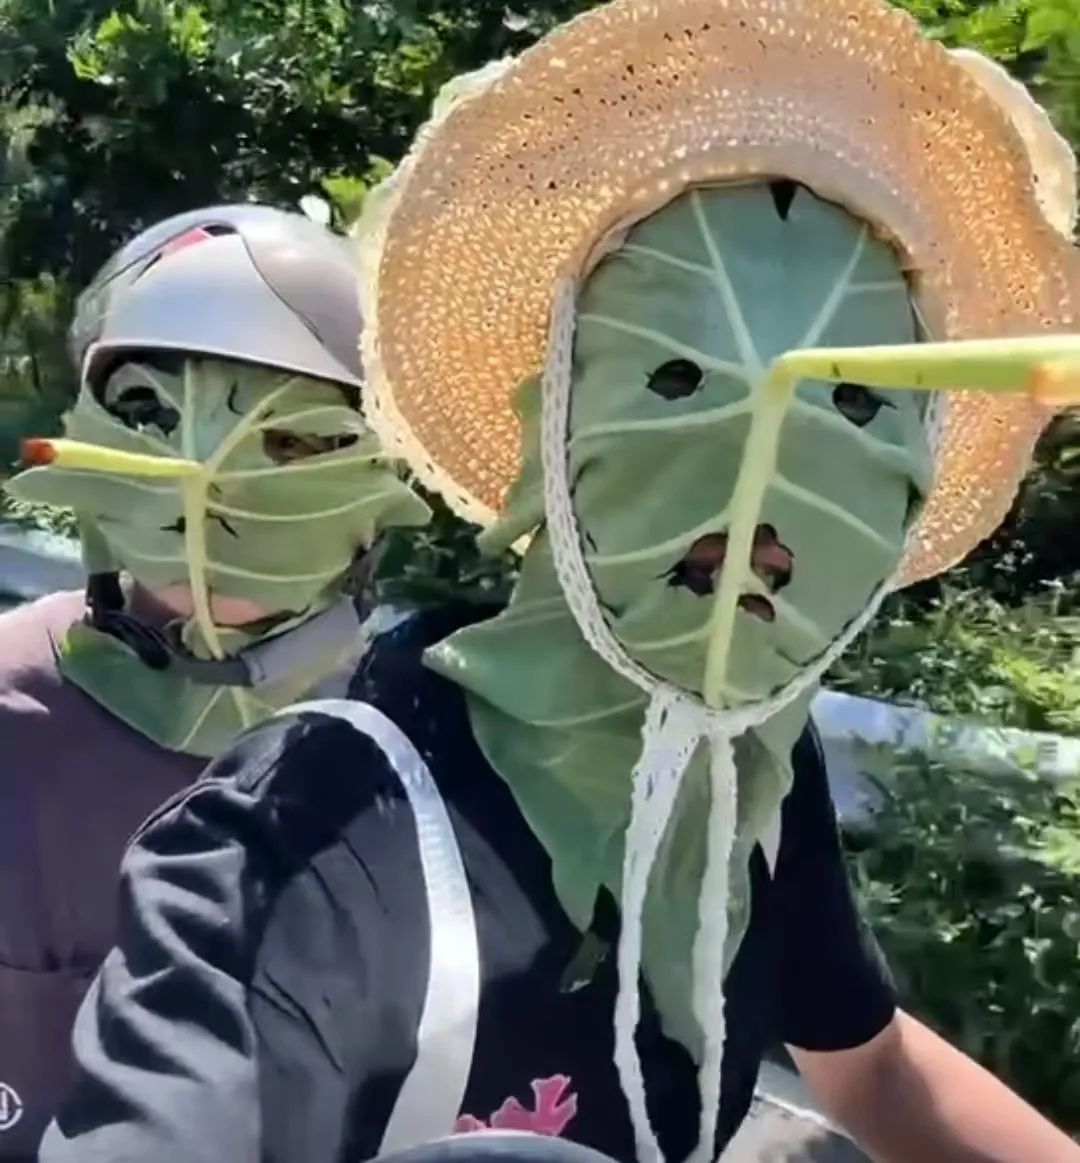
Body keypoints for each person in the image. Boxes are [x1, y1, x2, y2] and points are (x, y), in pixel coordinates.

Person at [38, 2, 1080, 1161]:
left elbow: (871, 1065)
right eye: (678, 381)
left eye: (856, 412)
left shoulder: (744, 764)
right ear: (561, 431)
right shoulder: (313, 820)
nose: (761, 507)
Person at [0, 204, 430, 1158]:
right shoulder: (11, 718)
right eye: (152, 417)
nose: (212, 484)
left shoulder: (423, 754)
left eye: (297, 441)